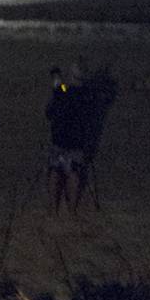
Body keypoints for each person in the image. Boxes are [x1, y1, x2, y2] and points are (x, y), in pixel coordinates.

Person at [46, 65, 89, 213]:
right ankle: (71, 209)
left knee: (55, 170)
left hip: (59, 139)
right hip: (77, 141)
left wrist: (57, 81)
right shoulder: (85, 95)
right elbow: (63, 89)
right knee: (74, 172)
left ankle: (53, 207)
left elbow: (50, 110)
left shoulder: (64, 92)